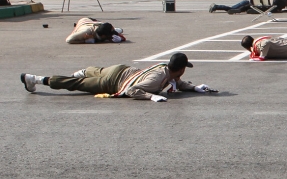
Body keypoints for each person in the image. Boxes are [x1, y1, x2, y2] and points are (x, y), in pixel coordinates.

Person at [20, 53, 214, 102]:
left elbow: (176, 83)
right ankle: (35, 79)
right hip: (114, 82)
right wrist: (151, 96)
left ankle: (85, 70)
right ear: (180, 69)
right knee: (75, 84)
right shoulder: (157, 80)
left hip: (120, 69)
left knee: (94, 71)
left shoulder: (166, 70)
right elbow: (131, 91)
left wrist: (194, 88)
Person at [209, 0, 287, 14]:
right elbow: (248, 7)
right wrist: (240, 10)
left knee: (232, 8)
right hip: (248, 4)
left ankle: (216, 6)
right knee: (231, 8)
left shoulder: (271, 4)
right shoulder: (271, 7)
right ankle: (215, 6)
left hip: (248, 3)